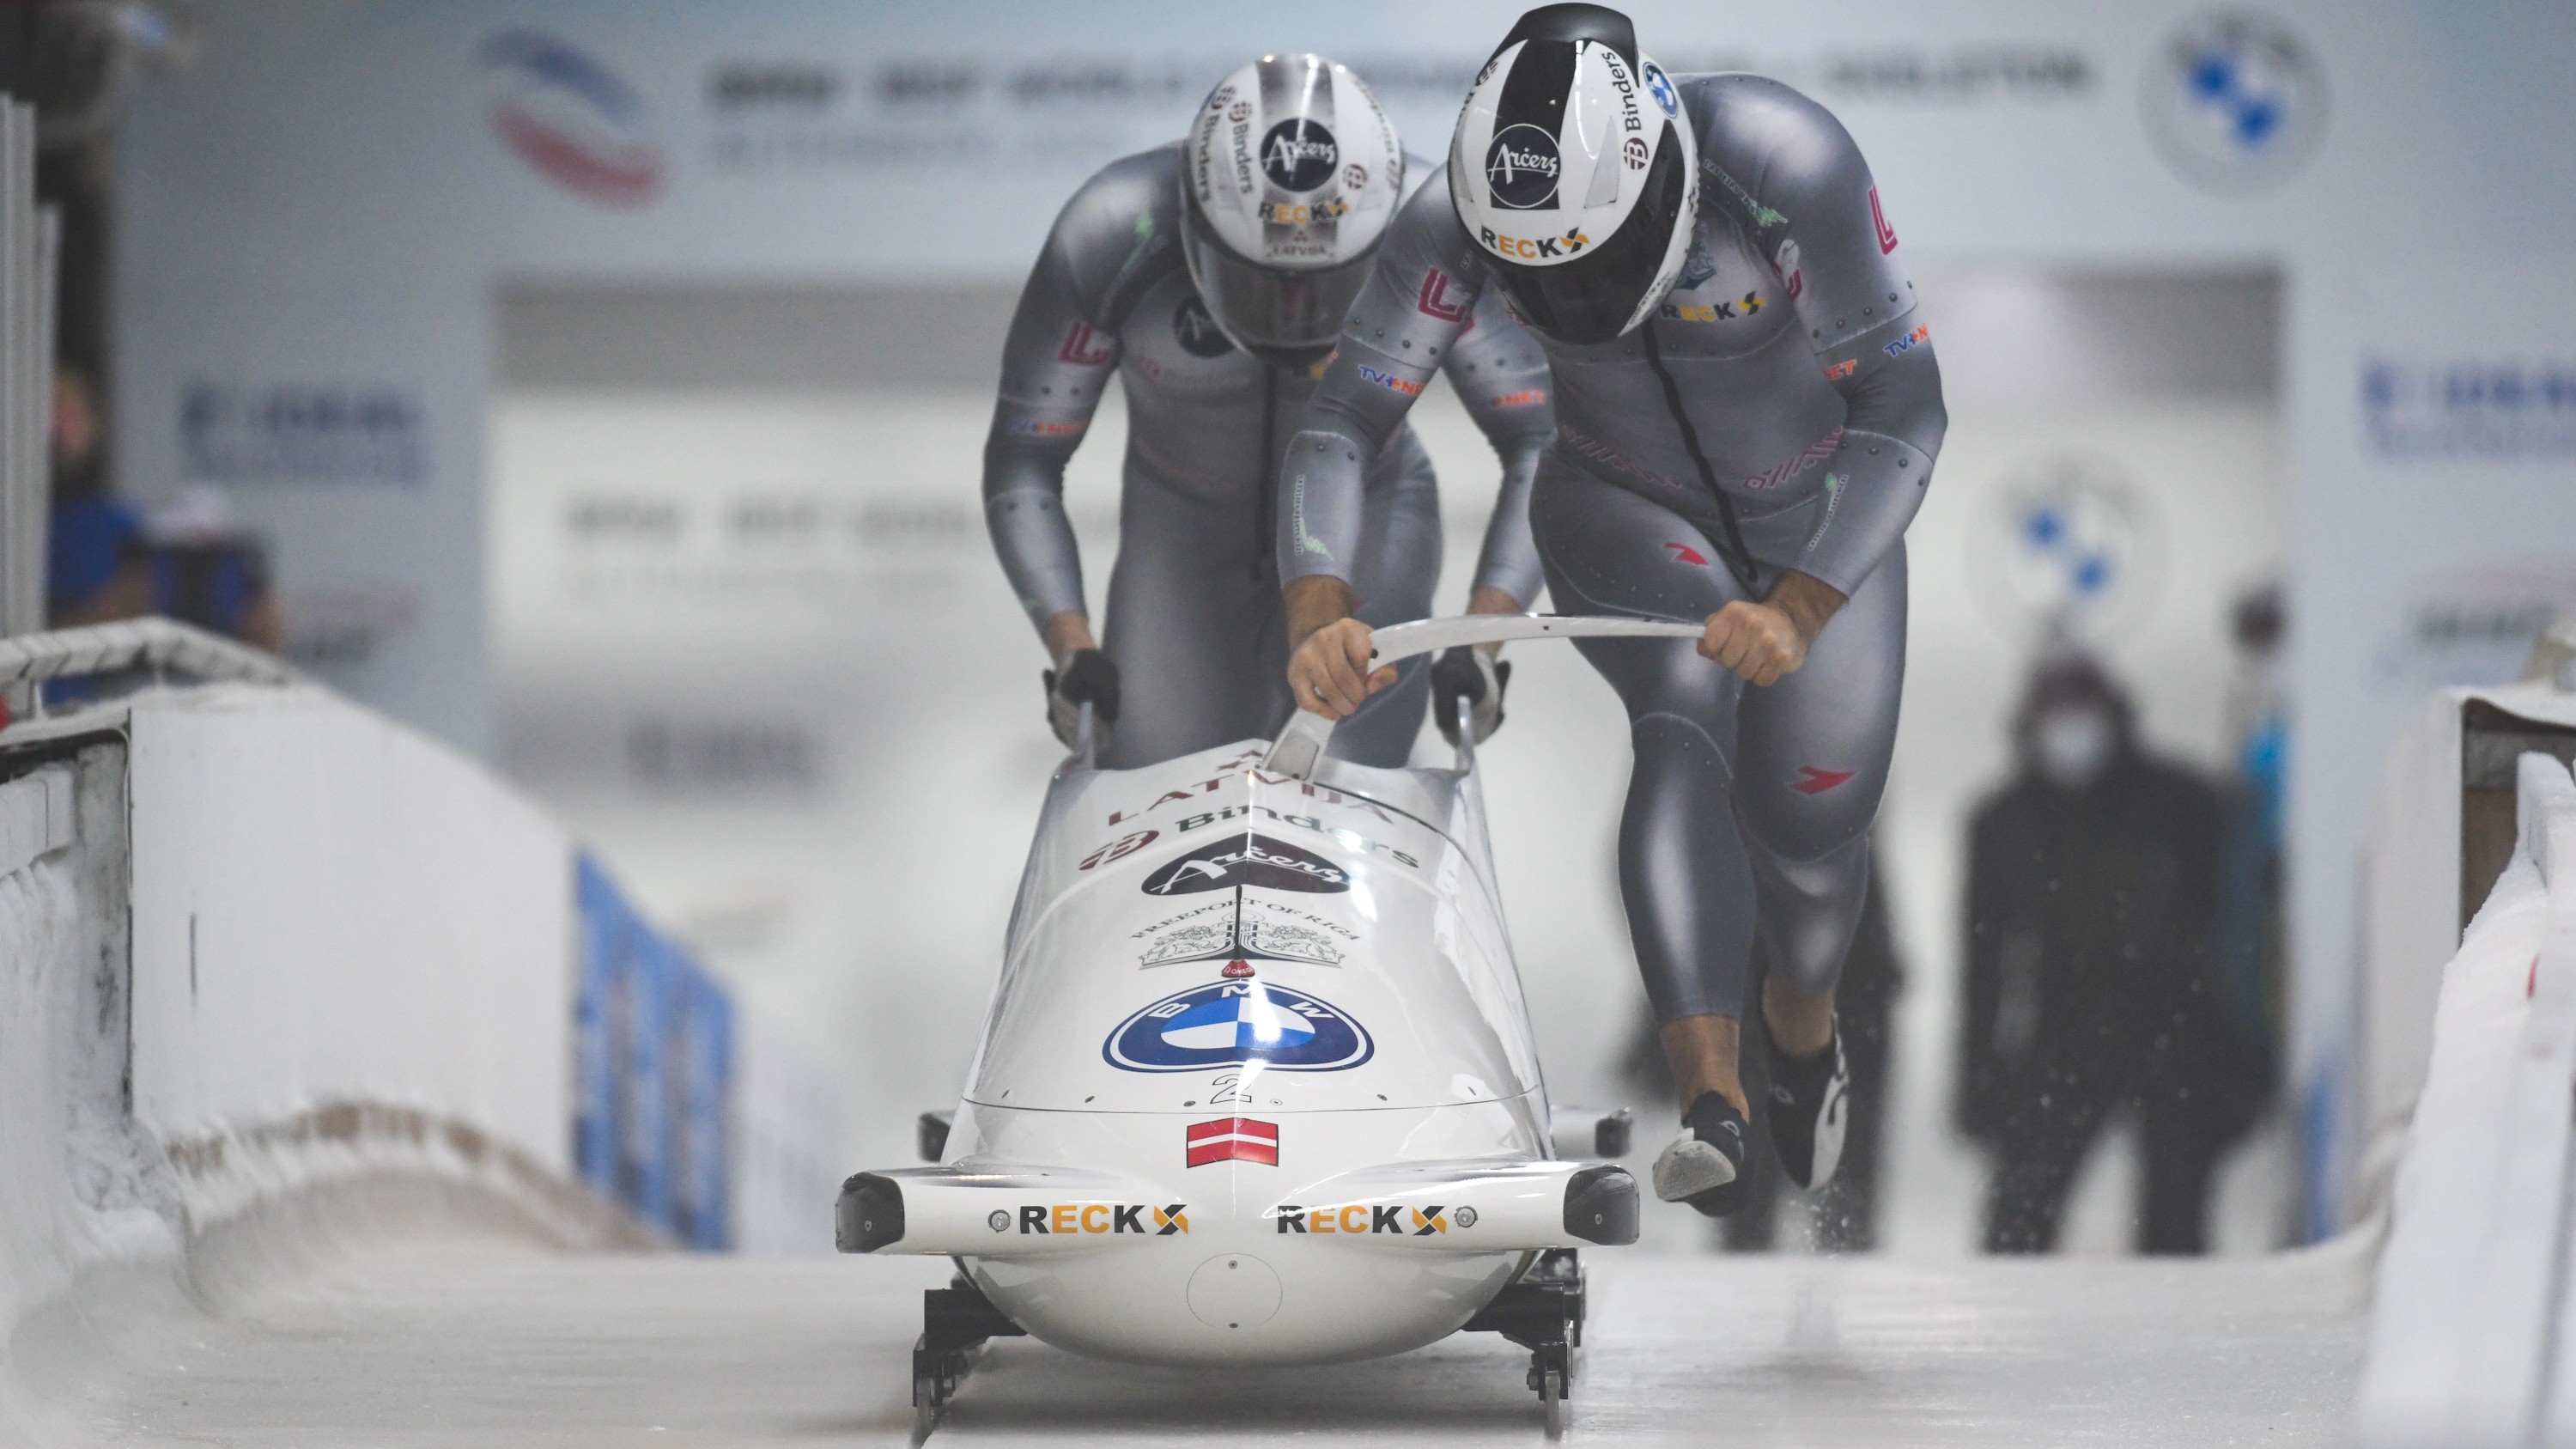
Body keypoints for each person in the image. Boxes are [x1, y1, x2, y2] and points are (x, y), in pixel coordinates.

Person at [1276, 3, 1947, 1217]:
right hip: (1618, 503)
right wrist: (1318, 602)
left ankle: (1801, 1028)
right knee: (1685, 708)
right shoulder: (1446, 220)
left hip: (1820, 523)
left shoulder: (1784, 160)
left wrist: (1804, 603)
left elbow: (1903, 404)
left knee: (1811, 847)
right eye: (1541, 275)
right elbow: (1343, 418)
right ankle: (1713, 1103)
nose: (1575, 297)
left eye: (1596, 257)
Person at [981, 53, 1555, 770]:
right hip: (1180, 538)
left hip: (1369, 519)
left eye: (1329, 286)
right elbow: (1026, 456)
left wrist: (1482, 639)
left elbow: (1539, 439)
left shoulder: (1434, 226)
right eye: (1260, 283)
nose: (1295, 314)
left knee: (1344, 794)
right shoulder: (1111, 229)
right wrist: (1072, 646)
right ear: (1195, 228)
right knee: (1161, 787)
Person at [1957, 654, 2232, 1254]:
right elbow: (1983, 962)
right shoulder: (2006, 820)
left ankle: (2175, 1312)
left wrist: (2238, 1056)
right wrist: (1978, 1079)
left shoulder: (2184, 804)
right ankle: (2008, 1311)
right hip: (2064, 1029)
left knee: (2176, 1226)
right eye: (2056, 715)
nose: (2071, 731)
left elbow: (2229, 932)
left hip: (2174, 1028)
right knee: (2017, 1221)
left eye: (2083, 713)